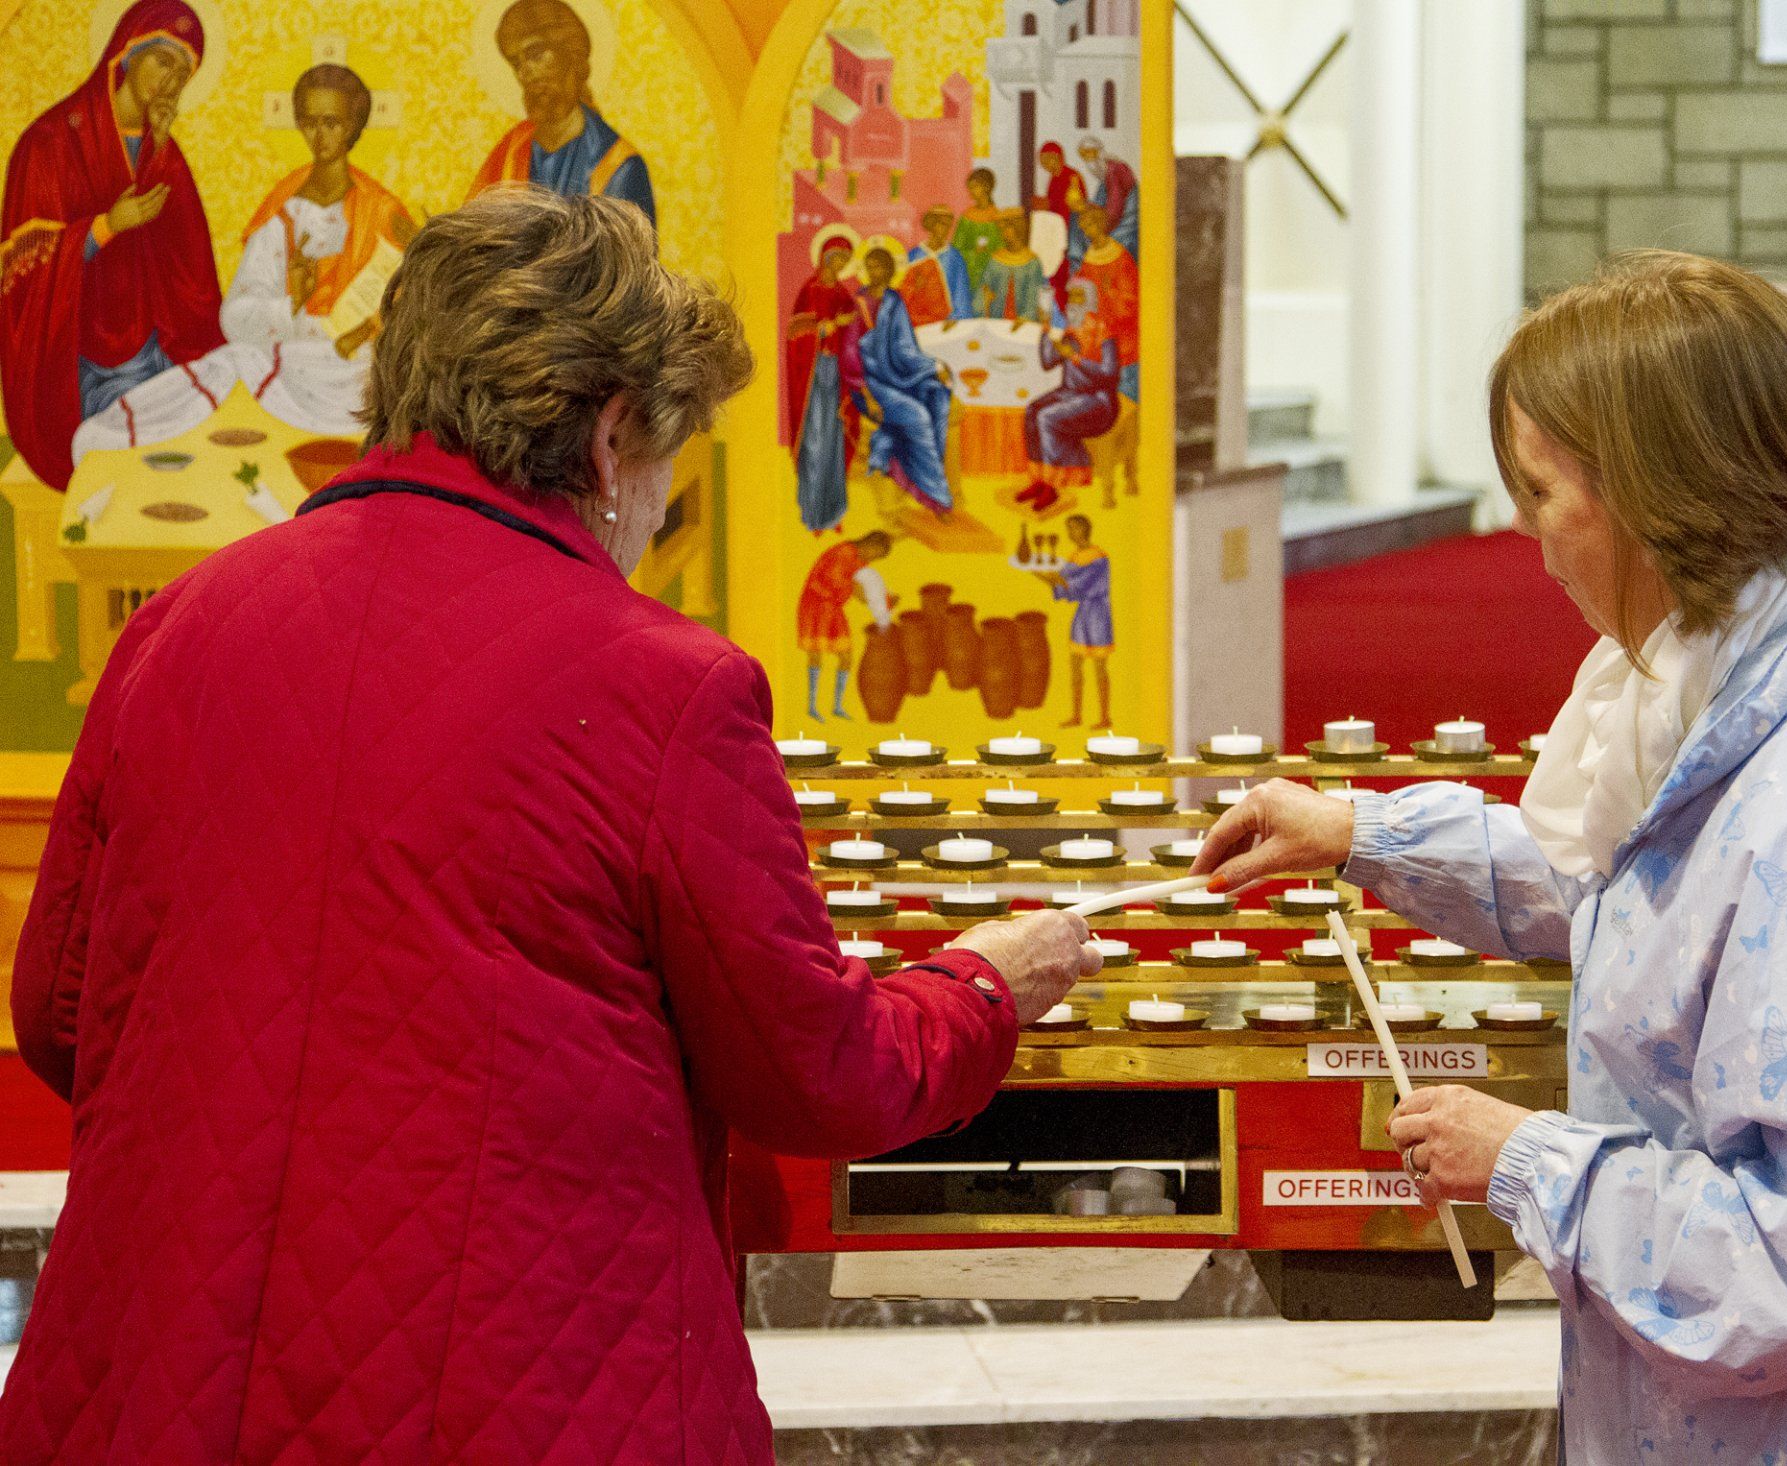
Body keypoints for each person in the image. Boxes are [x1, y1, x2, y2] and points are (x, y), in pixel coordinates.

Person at [1, 190, 1100, 1466]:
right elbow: (819, 1068)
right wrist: (983, 985)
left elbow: (63, 1015)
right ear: (613, 430)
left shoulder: (177, 628)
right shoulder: (662, 684)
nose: (656, 513)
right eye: (668, 465)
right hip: (515, 1393)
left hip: (152, 1385)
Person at [1194, 251, 1787, 1462]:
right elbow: (1620, 887)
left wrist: (1526, 1157)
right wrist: (1363, 832)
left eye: (1543, 493)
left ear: (1658, 496)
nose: (1530, 540)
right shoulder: (1727, 682)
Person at [0, 0, 223, 490]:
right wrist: (105, 227)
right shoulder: (49, 143)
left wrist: (159, 153)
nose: (171, 80)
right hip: (80, 359)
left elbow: (188, 262)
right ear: (127, 52)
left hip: (153, 348)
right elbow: (23, 269)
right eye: (164, 60)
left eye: (183, 73)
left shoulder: (162, 147)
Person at [219, 64, 415, 429]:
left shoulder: (382, 210)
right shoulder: (282, 212)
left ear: (353, 126)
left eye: (332, 122)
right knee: (229, 362)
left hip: (359, 367)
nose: (319, 135)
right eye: (309, 122)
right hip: (290, 360)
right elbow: (234, 317)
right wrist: (292, 301)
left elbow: (415, 301)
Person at [467, 0, 655, 226]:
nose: (525, 72)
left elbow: (626, 256)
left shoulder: (617, 165)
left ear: (569, 54)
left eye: (535, 54)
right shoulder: (510, 151)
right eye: (517, 63)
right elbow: (469, 237)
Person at [856, 246, 954, 515]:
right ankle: (934, 495)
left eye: (881, 266)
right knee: (917, 416)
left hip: (898, 375)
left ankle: (906, 467)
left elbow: (905, 349)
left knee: (937, 393)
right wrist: (869, 397)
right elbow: (850, 358)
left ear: (890, 271)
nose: (876, 272)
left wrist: (934, 367)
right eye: (871, 266)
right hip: (868, 383)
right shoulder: (859, 304)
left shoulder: (894, 301)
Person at [785, 225, 863, 533]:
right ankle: (813, 513)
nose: (841, 265)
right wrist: (826, 327)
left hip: (836, 376)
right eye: (838, 258)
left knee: (834, 442)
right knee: (815, 441)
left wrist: (848, 327)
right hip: (813, 377)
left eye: (846, 260)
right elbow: (794, 332)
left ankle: (832, 513)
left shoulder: (844, 293)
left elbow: (853, 333)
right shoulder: (810, 289)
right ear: (826, 257)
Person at [1019, 276, 1120, 513]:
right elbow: (1047, 361)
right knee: (1032, 410)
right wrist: (1044, 328)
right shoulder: (1071, 329)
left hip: (1098, 401)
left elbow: (1109, 374)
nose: (1072, 302)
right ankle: (1039, 479)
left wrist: (1075, 358)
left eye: (1078, 297)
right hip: (1071, 394)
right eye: (1070, 296)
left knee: (1047, 417)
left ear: (1090, 301)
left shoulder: (1103, 332)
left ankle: (1052, 485)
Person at [799, 530, 892, 719]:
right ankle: (811, 705)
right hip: (816, 604)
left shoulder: (859, 561)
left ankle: (837, 706)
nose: (874, 559)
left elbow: (861, 589)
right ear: (870, 544)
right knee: (816, 655)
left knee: (846, 656)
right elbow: (840, 582)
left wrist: (884, 601)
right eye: (876, 554)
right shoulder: (845, 552)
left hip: (833, 607)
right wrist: (870, 595)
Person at [1032, 513, 1112, 728]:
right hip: (1083, 613)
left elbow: (1079, 585)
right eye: (1069, 528)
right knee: (1075, 664)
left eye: (1073, 528)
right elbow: (1062, 583)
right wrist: (1041, 575)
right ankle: (1077, 716)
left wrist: (1055, 579)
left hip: (1097, 613)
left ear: (1084, 529)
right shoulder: (1074, 556)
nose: (1070, 533)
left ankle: (1105, 717)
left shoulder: (1099, 557)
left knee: (1099, 666)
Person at [1072, 200, 1139, 403]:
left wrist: (1108, 295)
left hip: (1119, 335)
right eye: (1083, 228)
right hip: (1095, 331)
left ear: (1100, 224)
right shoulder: (1090, 256)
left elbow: (1130, 300)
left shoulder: (1120, 256)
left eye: (1089, 226)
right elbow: (1082, 288)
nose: (1087, 232)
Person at [1033, 140, 1087, 310]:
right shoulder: (1053, 178)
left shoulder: (1072, 176)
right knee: (1054, 276)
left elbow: (1076, 206)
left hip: (1071, 233)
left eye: (1048, 159)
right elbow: (1054, 205)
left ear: (1058, 158)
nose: (1045, 164)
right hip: (1056, 233)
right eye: (1042, 161)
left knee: (1065, 276)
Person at [975, 208, 1049, 325]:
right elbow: (983, 288)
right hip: (996, 322)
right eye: (1001, 229)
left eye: (1006, 228)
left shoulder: (1032, 262)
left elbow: (1033, 296)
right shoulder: (995, 260)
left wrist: (1026, 318)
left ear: (1017, 228)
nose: (1003, 233)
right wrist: (983, 303)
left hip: (1023, 325)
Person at [905, 204, 972, 321]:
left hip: (947, 322)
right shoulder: (914, 255)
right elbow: (904, 291)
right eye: (942, 224)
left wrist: (956, 317)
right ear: (931, 225)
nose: (945, 229)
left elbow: (961, 294)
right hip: (918, 321)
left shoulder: (955, 257)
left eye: (948, 225)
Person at [1077, 135, 1138, 257]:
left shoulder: (1114, 171)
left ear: (1098, 153)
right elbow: (1101, 204)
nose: (1088, 159)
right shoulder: (1106, 174)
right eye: (1084, 156)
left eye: (1090, 153)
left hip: (1125, 226)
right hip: (1114, 221)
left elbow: (1114, 209)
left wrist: (1100, 228)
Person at [952, 165, 1003, 296]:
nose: (970, 191)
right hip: (968, 276)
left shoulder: (998, 217)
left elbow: (1002, 249)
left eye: (974, 187)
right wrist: (974, 253)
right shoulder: (966, 217)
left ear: (986, 187)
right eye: (970, 188)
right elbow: (956, 249)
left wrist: (988, 252)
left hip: (992, 278)